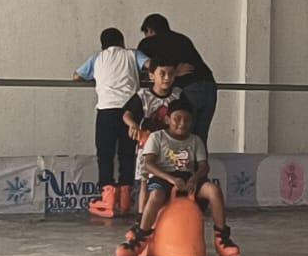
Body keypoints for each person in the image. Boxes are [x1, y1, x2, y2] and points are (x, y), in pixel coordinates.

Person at [115, 98, 240, 256]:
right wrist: (171, 179)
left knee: (213, 191)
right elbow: (149, 164)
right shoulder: (157, 137)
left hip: (188, 178)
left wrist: (195, 179)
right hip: (163, 176)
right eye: (177, 119)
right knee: (156, 196)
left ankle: (222, 238)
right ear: (167, 119)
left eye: (187, 120)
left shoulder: (195, 141)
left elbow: (204, 166)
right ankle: (140, 238)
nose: (182, 123)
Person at [72, 27, 148, 218]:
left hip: (106, 110)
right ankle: (124, 197)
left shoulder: (97, 58)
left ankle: (107, 196)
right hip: (130, 111)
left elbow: (76, 75)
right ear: (122, 42)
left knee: (105, 154)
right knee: (127, 153)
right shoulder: (132, 55)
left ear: (103, 44)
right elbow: (149, 64)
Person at [137, 14, 218, 144]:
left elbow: (146, 71)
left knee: (182, 137)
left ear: (150, 30)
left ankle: (185, 164)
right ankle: (201, 163)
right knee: (200, 139)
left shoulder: (148, 43)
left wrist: (173, 72)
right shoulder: (182, 39)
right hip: (209, 86)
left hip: (188, 89)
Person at [122, 62, 184, 220]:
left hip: (171, 147)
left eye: (171, 73)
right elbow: (126, 114)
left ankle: (168, 217)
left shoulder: (178, 94)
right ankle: (141, 218)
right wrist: (133, 125)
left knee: (169, 179)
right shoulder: (143, 95)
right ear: (151, 75)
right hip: (147, 145)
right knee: (145, 182)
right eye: (162, 73)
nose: (167, 78)